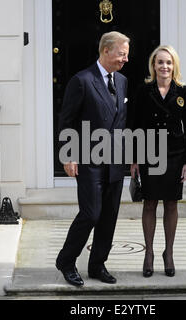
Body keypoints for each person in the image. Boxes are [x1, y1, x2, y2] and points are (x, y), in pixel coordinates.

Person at [55, 31, 130, 286]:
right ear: (106, 51)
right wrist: (68, 155)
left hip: (116, 160)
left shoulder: (121, 81)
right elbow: (67, 121)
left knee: (109, 216)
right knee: (91, 213)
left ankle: (97, 264)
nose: (125, 59)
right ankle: (66, 260)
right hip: (90, 160)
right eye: (122, 54)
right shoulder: (82, 80)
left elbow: (121, 121)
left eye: (126, 55)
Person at [129, 45, 186, 278]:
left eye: (168, 62)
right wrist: (133, 158)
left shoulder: (183, 91)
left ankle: (169, 253)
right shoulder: (143, 90)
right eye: (160, 62)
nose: (164, 66)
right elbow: (134, 125)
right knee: (149, 203)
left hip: (175, 155)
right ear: (153, 66)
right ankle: (149, 254)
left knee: (171, 204)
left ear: (174, 65)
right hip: (149, 154)